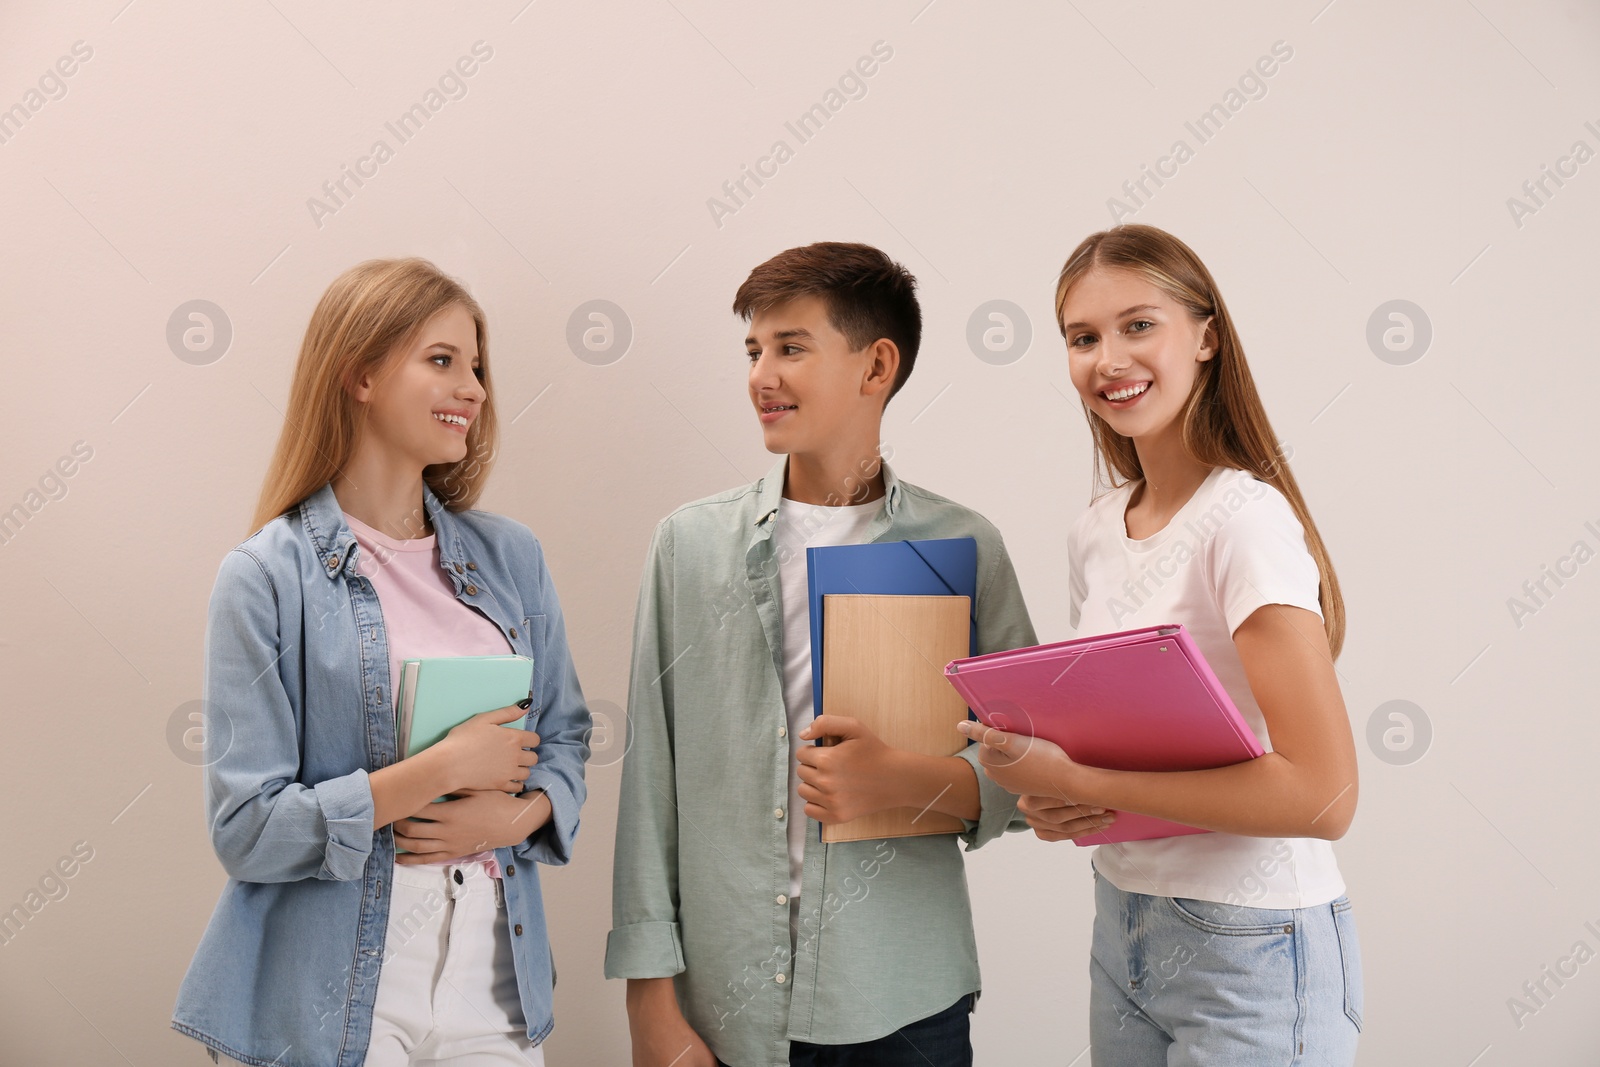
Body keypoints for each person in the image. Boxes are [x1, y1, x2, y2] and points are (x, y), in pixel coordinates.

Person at [606, 242, 1036, 1067]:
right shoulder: (688, 545)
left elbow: (1029, 774)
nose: (762, 374)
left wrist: (906, 780)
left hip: (906, 1003)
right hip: (723, 1005)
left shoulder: (961, 545)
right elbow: (649, 785)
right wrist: (650, 1003)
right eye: (753, 350)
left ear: (877, 365)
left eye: (791, 347)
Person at [171, 258, 591, 1066]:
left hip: (492, 975)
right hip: (328, 986)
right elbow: (246, 829)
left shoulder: (513, 557)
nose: (472, 387)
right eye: (441, 360)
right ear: (360, 374)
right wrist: (435, 773)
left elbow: (567, 738)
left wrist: (514, 816)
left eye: (476, 366)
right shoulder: (265, 576)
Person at [963, 224, 1363, 1064]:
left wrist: (1080, 779)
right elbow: (1123, 759)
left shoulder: (1245, 521)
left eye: (1138, 325)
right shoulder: (1098, 530)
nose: (1108, 357)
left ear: (1206, 336)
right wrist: (1051, 800)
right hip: (1125, 926)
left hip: (1254, 944)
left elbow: (1325, 796)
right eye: (1083, 337)